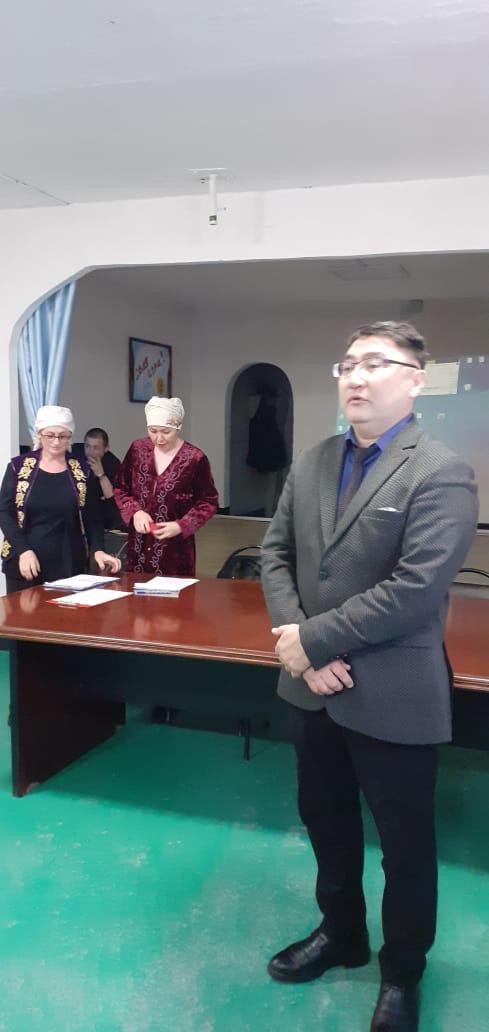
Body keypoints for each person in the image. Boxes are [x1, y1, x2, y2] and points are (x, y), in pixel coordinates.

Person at [260, 322, 478, 1032]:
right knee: (325, 822)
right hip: (311, 689)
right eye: (347, 363)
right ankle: (341, 933)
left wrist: (311, 641)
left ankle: (402, 972)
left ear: (416, 379)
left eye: (376, 364)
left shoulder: (440, 470)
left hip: (393, 692)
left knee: (405, 847)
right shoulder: (312, 461)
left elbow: (415, 590)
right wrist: (302, 646)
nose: (355, 376)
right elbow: (275, 554)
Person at [0, 406, 121, 593]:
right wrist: (23, 550)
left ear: (70, 436)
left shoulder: (82, 470)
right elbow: (4, 512)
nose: (56, 441)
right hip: (24, 564)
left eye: (63, 436)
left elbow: (93, 517)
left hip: (69, 565)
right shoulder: (18, 467)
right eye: (50, 435)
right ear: (40, 434)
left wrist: (98, 549)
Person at [114, 396, 218, 576]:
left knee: (174, 593)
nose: (159, 438)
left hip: (175, 551)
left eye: (166, 432)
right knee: (136, 591)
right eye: (153, 431)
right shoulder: (138, 449)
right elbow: (120, 488)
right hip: (138, 546)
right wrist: (135, 512)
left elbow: (208, 501)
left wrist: (182, 525)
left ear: (178, 427)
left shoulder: (194, 458)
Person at [77, 427, 124, 541]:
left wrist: (101, 474)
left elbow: (112, 499)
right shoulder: (77, 455)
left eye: (96, 448)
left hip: (101, 514)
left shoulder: (113, 463)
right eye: (87, 446)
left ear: (106, 448)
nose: (90, 452)